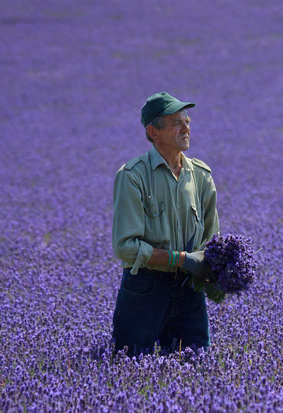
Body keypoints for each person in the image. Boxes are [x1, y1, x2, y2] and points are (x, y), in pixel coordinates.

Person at [111, 92, 221, 356]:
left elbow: (212, 237)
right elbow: (126, 247)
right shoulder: (133, 176)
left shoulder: (201, 176)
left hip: (189, 291)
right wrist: (181, 259)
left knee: (198, 369)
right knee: (131, 368)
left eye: (187, 120)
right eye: (176, 122)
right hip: (145, 291)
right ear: (154, 131)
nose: (186, 128)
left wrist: (216, 266)